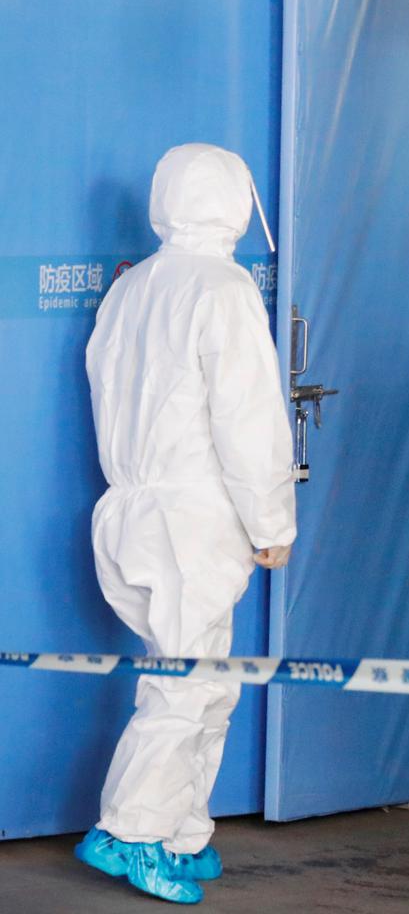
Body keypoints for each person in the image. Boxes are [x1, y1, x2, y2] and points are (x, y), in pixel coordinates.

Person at [75, 144, 297, 905]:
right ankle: (131, 832)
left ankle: (182, 830)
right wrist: (273, 520)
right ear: (234, 201)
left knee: (203, 681)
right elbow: (249, 421)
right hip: (190, 521)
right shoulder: (223, 289)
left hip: (132, 511)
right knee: (184, 686)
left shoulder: (132, 290)